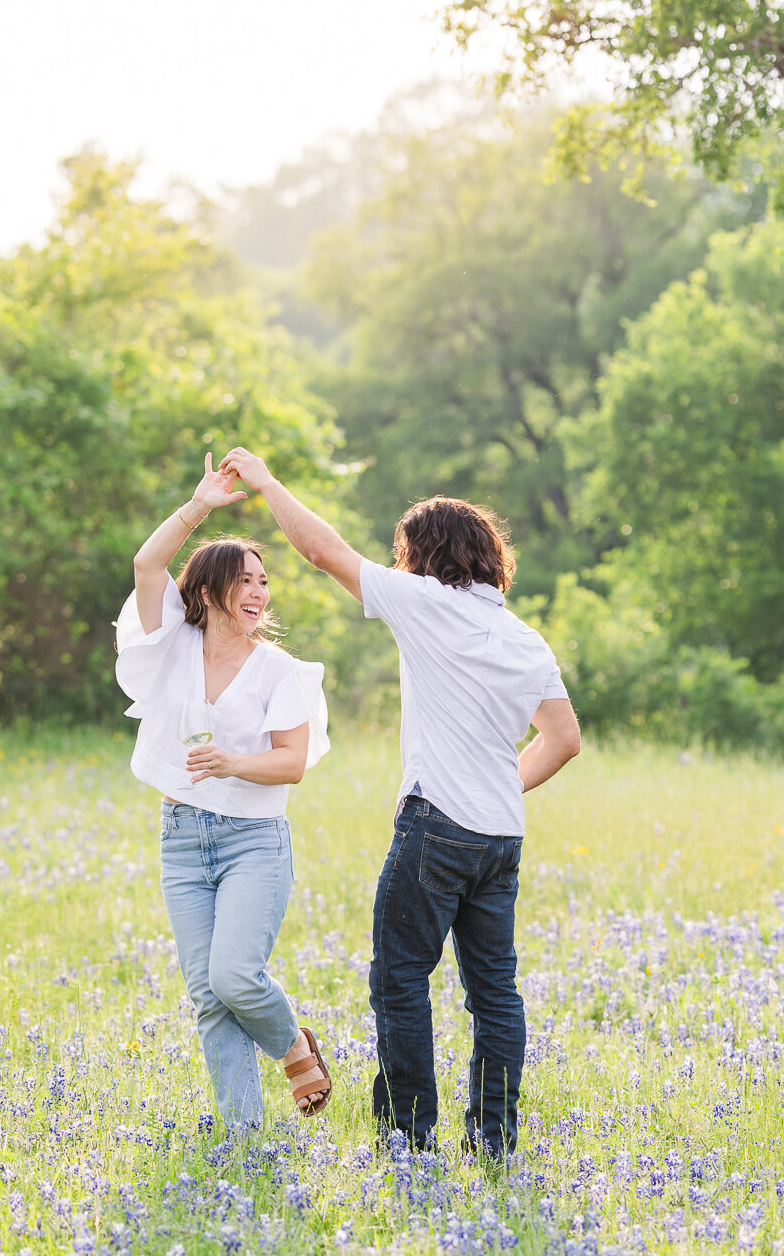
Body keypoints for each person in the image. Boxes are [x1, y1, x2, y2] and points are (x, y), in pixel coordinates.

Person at [220, 449, 580, 1158]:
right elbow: (563, 740)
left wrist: (265, 483)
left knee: (400, 979)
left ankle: (409, 1139)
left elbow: (322, 551)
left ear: (426, 556)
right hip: (500, 837)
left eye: (406, 553)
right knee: (495, 995)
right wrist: (501, 787)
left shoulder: (425, 603)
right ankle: (494, 1140)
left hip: (435, 827)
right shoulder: (524, 637)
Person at [115, 454, 332, 1129]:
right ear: (208, 590)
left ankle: (294, 1046)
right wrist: (201, 504)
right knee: (209, 997)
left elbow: (292, 763)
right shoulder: (172, 644)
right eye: (245, 580)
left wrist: (234, 762)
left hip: (251, 843)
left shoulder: (282, 672)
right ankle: (244, 1137)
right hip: (181, 837)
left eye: (265, 581)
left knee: (235, 977)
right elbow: (147, 567)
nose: (260, 591)